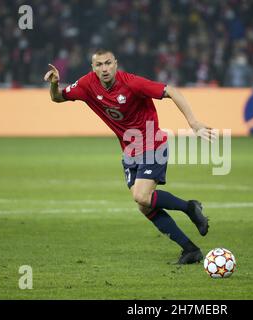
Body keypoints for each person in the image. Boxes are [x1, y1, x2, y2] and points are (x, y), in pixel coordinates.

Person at [44, 49, 214, 264]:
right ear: (93, 68)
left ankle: (190, 207)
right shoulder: (87, 84)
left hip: (153, 143)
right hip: (129, 150)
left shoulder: (132, 83)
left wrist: (193, 122)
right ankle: (190, 250)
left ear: (115, 64)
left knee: (142, 196)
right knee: (145, 207)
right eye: (99, 65)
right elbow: (57, 97)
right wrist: (54, 83)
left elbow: (171, 91)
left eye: (108, 63)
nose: (104, 68)